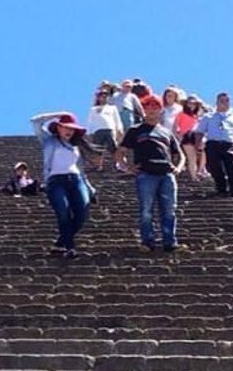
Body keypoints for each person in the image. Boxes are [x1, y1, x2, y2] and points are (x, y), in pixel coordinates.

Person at [117, 95, 184, 252]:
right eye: (148, 106)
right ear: (144, 110)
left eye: (155, 106)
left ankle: (170, 242)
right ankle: (147, 242)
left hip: (166, 174)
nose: (152, 109)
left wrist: (179, 167)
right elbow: (120, 151)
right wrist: (127, 167)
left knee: (169, 209)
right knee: (146, 209)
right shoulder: (135, 130)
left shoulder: (166, 132)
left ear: (160, 110)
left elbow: (180, 153)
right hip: (146, 174)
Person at [31, 111, 93, 258]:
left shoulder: (75, 146)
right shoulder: (49, 141)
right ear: (58, 127)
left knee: (82, 213)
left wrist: (90, 187)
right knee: (63, 213)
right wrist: (59, 114)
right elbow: (35, 121)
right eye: (66, 127)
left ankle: (60, 243)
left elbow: (80, 169)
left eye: (72, 129)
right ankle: (70, 247)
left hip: (76, 180)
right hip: (56, 181)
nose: (69, 131)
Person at [194, 91, 233, 197]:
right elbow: (199, 132)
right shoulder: (208, 116)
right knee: (214, 167)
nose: (224, 103)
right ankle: (221, 188)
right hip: (212, 144)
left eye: (227, 101)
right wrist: (197, 145)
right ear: (217, 102)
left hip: (229, 144)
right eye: (221, 100)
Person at [84, 90, 124, 171]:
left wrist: (119, 129)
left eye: (106, 96)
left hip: (110, 129)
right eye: (102, 96)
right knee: (98, 149)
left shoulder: (112, 108)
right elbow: (90, 121)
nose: (104, 98)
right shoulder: (93, 109)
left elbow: (117, 119)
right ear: (98, 98)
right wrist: (89, 133)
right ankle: (98, 165)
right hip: (97, 130)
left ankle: (117, 164)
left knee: (113, 148)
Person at [174, 96, 206, 182]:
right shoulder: (181, 114)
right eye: (189, 103)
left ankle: (200, 170)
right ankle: (194, 177)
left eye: (194, 104)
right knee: (192, 158)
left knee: (205, 150)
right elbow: (175, 126)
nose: (191, 105)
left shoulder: (196, 116)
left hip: (196, 136)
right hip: (186, 136)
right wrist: (178, 135)